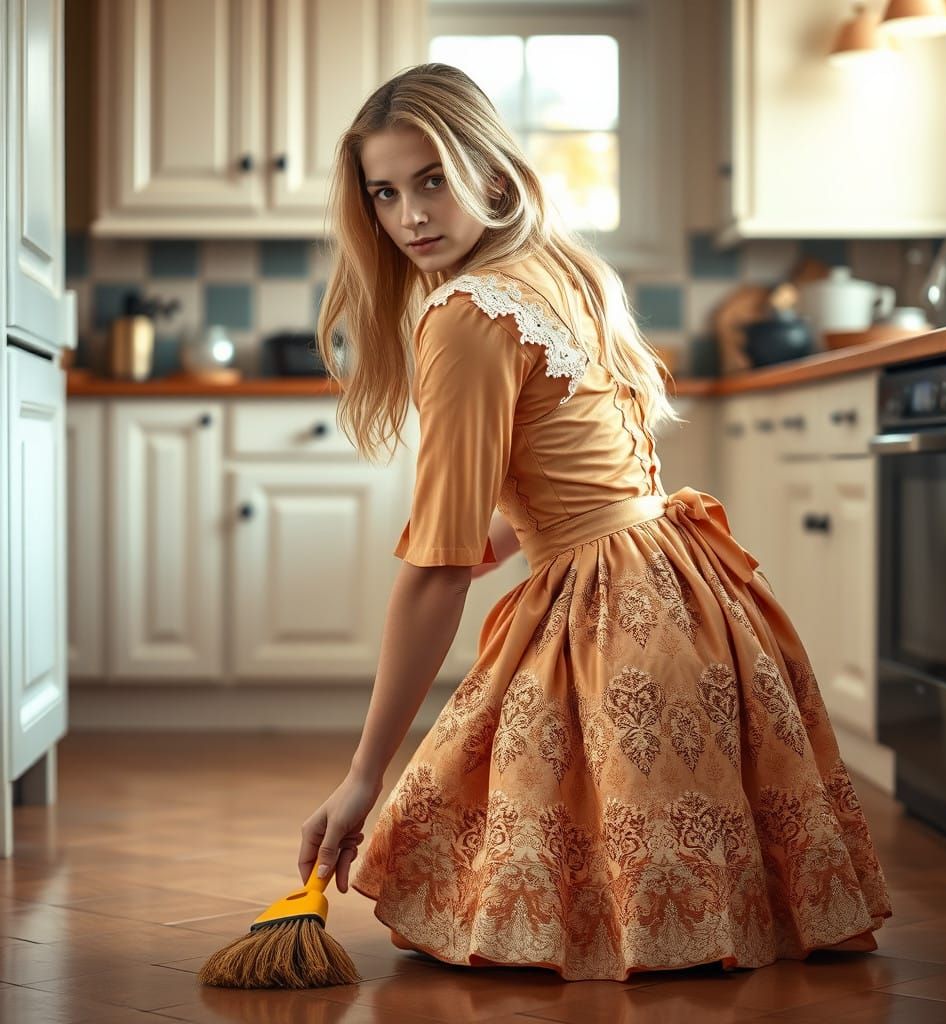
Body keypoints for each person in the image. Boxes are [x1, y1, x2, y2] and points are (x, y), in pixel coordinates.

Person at [296, 62, 892, 983]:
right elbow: (568, 497)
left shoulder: (463, 314)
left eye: (432, 180)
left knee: (464, 868)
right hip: (702, 607)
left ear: (491, 178)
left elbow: (438, 570)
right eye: (385, 192)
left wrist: (362, 775)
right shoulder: (565, 271)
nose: (411, 215)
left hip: (623, 630)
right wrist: (517, 556)